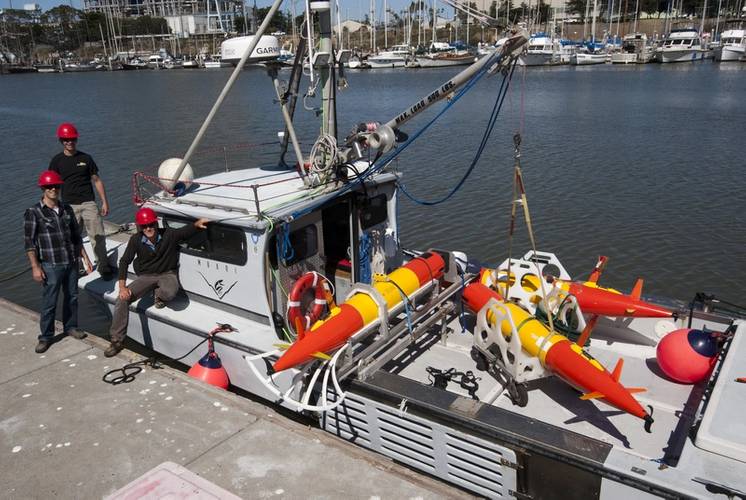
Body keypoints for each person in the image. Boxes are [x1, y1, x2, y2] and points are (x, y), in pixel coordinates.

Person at [105, 207, 209, 357]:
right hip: (146, 276)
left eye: (151, 224)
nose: (148, 228)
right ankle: (116, 340)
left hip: (167, 273)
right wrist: (122, 287)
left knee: (170, 292)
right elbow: (124, 261)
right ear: (140, 227)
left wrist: (198, 223)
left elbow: (186, 231)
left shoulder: (169, 234)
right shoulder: (135, 240)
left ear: (156, 223)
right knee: (122, 299)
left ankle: (158, 295)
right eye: (144, 226)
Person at [24, 170, 93, 354]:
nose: (53, 189)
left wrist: (85, 258)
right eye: (49, 186)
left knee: (72, 297)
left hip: (71, 262)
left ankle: (70, 327)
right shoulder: (34, 212)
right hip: (50, 265)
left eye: (56, 186)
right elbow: (29, 243)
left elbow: (76, 237)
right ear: (43, 189)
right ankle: (46, 337)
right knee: (49, 302)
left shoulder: (67, 209)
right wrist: (35, 267)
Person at [49, 122, 113, 279]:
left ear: (76, 140)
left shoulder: (86, 158)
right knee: (70, 240)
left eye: (72, 139)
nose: (69, 142)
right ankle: (76, 268)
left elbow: (97, 180)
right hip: (68, 206)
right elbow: (51, 185)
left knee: (98, 237)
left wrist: (104, 201)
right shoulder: (57, 161)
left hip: (88, 203)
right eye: (66, 140)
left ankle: (103, 267)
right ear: (61, 141)